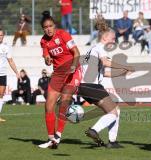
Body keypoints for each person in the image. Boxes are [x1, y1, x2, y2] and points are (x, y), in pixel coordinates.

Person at [80, 16, 134, 148]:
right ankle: (94, 130)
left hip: (84, 87)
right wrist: (124, 66)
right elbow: (105, 62)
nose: (114, 40)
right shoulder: (100, 47)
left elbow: (104, 72)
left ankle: (112, 141)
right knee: (113, 113)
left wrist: (122, 73)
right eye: (113, 38)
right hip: (92, 86)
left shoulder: (93, 49)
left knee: (116, 110)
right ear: (105, 37)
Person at [38, 11, 81, 149]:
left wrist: (74, 66)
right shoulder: (43, 41)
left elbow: (77, 53)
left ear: (54, 25)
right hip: (58, 73)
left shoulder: (63, 34)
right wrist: (47, 59)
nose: (48, 29)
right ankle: (51, 139)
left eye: (50, 26)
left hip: (73, 71)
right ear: (43, 29)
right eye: (45, 27)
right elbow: (46, 59)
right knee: (48, 105)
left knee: (64, 102)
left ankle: (58, 136)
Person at [0, 28, 19, 122]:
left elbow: (10, 61)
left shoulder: (6, 47)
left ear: (3, 36)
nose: (0, 37)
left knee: (1, 95)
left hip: (2, 74)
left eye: (1, 35)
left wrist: (16, 72)